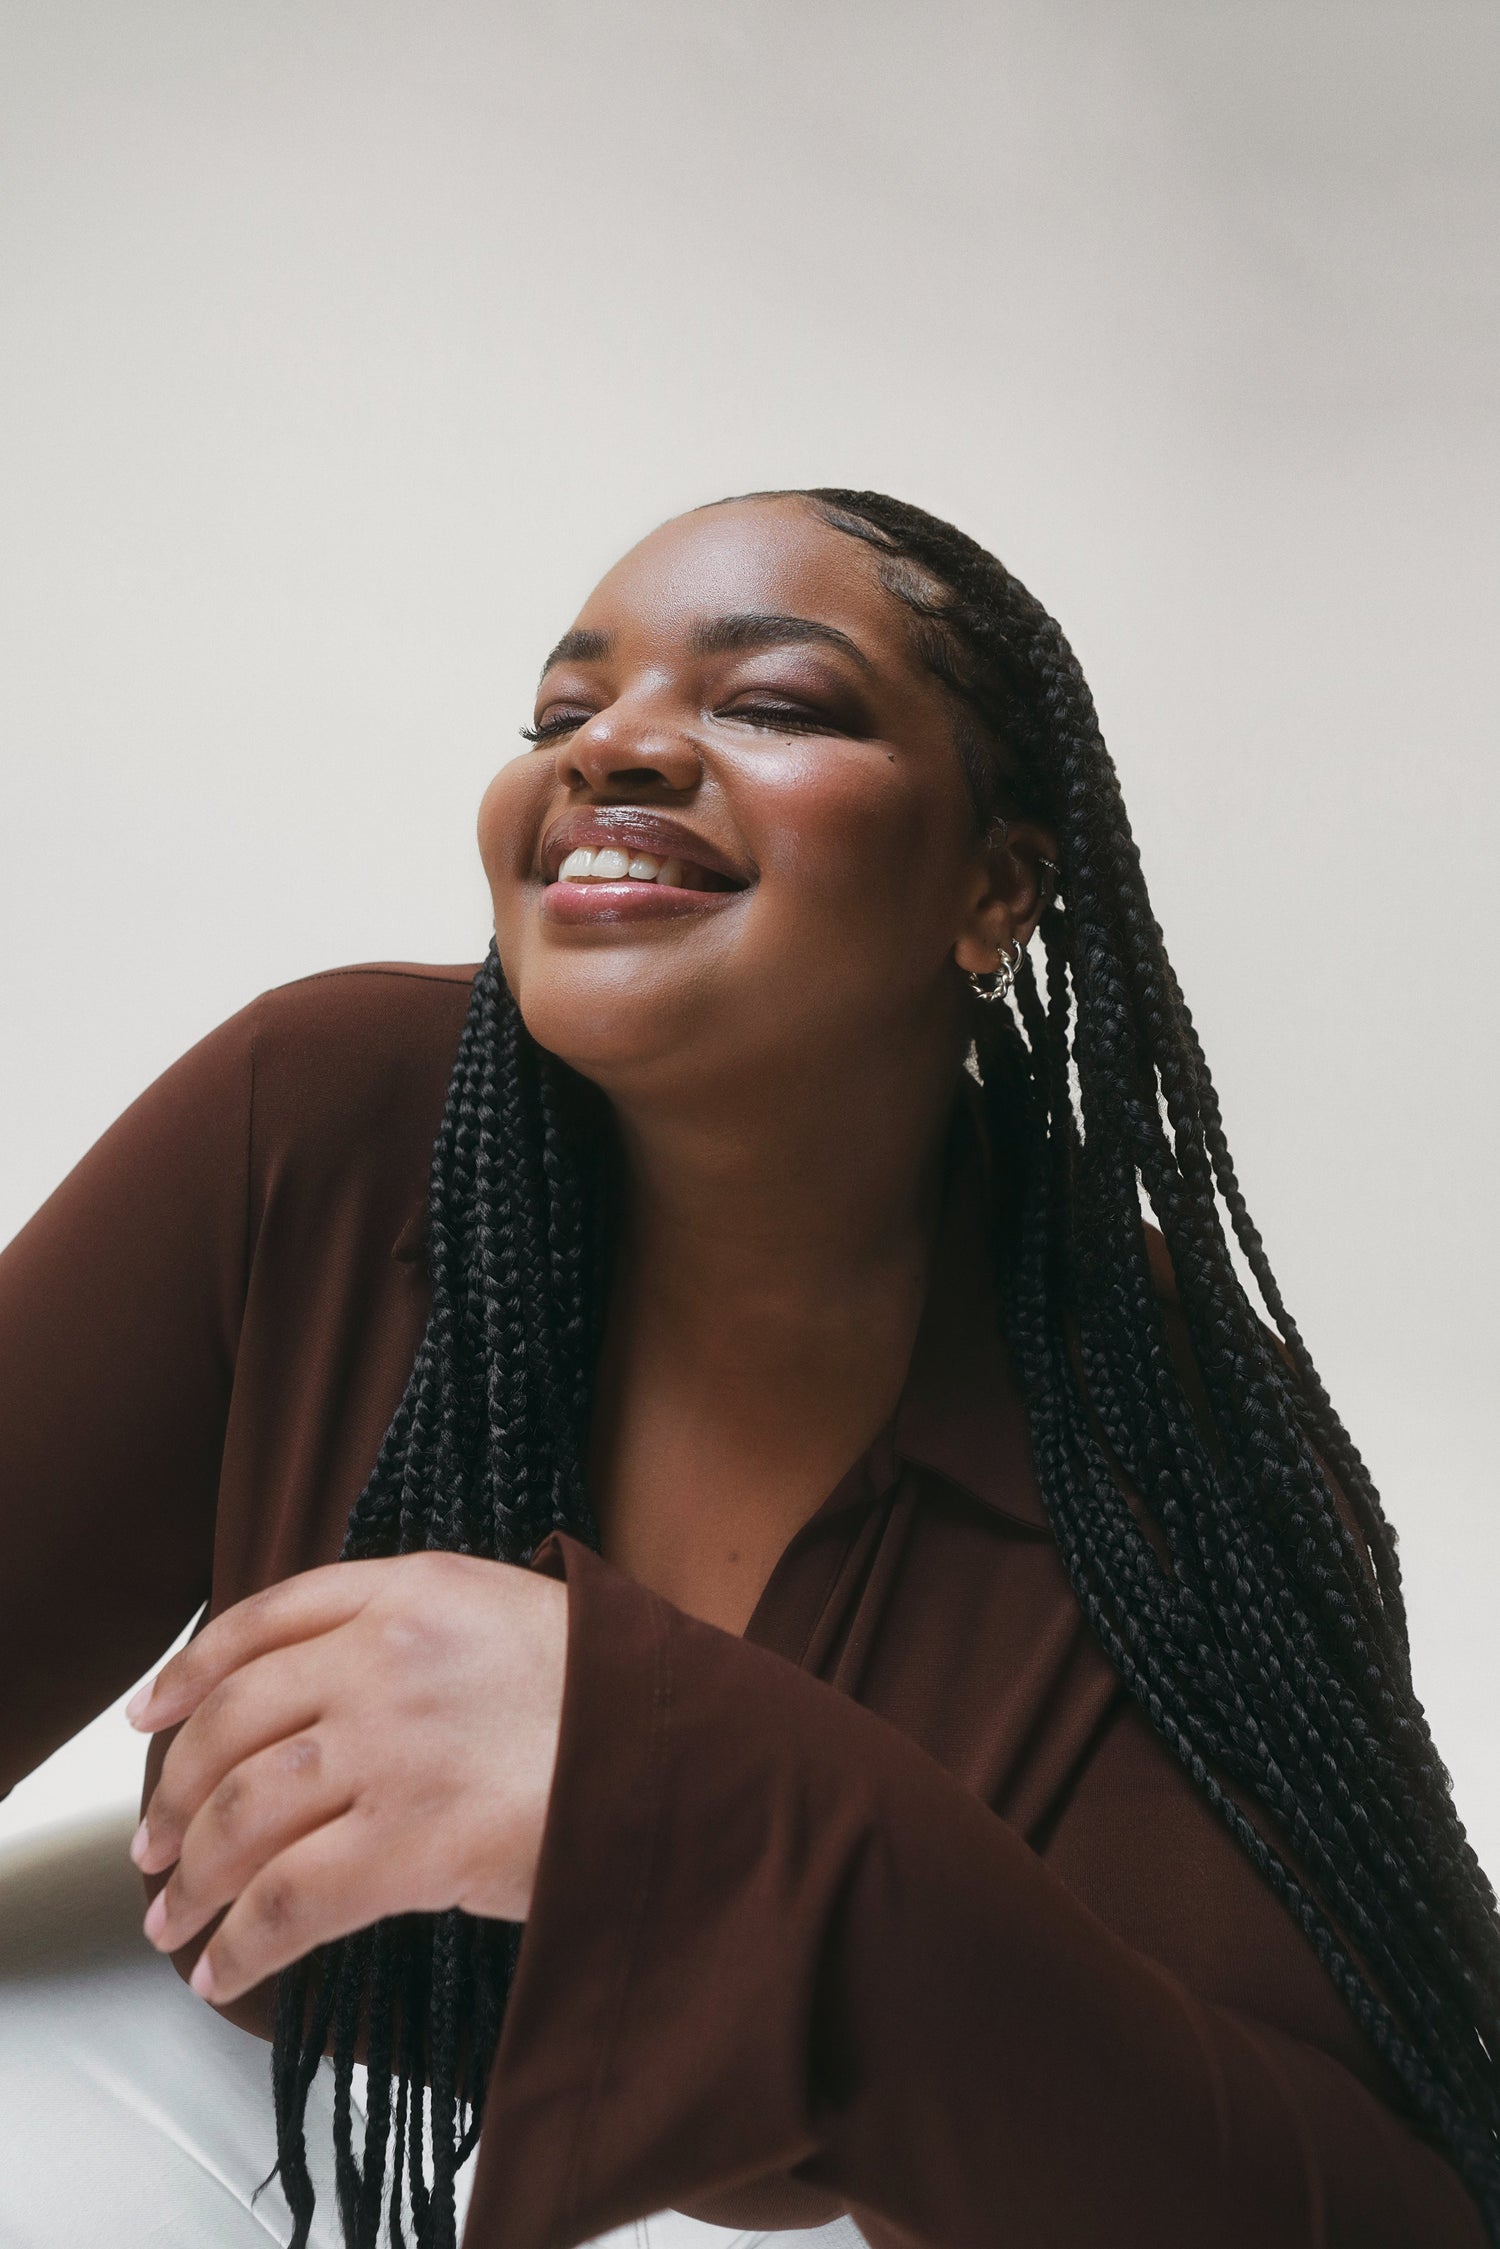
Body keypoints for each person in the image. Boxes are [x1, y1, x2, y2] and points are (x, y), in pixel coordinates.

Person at [2, 488, 1497, 2249]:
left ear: (994, 888)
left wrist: (660, 1779)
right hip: (193, 2106)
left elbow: (1377, 2207)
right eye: (564, 715)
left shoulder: (1173, 1451)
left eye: (772, 703)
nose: (615, 747)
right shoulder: (317, 1126)